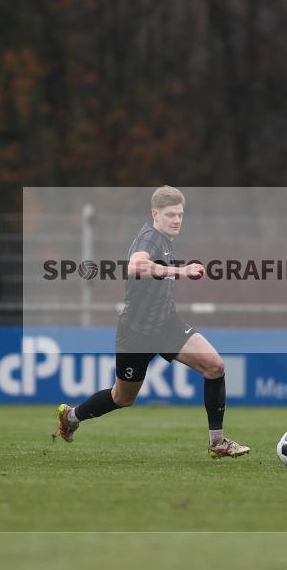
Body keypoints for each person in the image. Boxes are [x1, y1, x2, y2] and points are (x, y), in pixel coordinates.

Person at [56, 186, 250, 458]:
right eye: (170, 214)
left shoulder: (165, 240)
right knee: (122, 398)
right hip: (136, 333)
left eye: (180, 215)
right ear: (155, 214)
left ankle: (217, 443)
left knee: (215, 366)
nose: (176, 220)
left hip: (166, 323)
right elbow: (136, 266)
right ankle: (72, 416)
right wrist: (180, 271)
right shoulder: (149, 238)